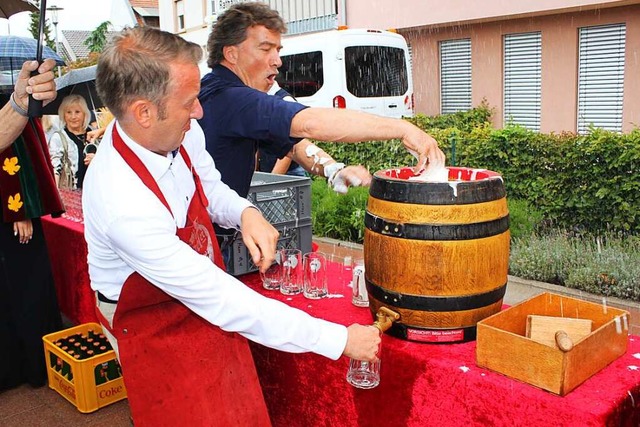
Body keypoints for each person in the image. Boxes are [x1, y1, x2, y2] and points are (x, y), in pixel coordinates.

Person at [85, 26, 380, 425]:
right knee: (178, 411)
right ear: (144, 112)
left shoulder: (182, 132)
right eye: (190, 102)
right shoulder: (123, 203)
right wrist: (337, 339)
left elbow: (210, 188)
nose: (200, 112)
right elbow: (223, 300)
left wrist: (245, 213)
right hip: (141, 313)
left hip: (196, 290)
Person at [198, 1, 445, 253]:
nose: (277, 61)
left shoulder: (225, 94)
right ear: (232, 54)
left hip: (213, 231)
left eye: (278, 49)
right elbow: (310, 123)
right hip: (206, 236)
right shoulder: (228, 97)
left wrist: (334, 170)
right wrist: (404, 128)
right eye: (265, 49)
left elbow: (294, 147)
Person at [0, 59, 64, 391]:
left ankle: (33, 367)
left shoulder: (7, 99)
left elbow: (13, 151)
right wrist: (18, 212)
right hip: (12, 219)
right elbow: (9, 156)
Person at [47, 94, 97, 189]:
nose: (73, 117)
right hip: (71, 194)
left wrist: (96, 160)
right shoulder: (58, 137)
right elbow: (54, 169)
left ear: (84, 113)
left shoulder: (94, 134)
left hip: (95, 191)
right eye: (68, 112)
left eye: (77, 112)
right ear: (63, 114)